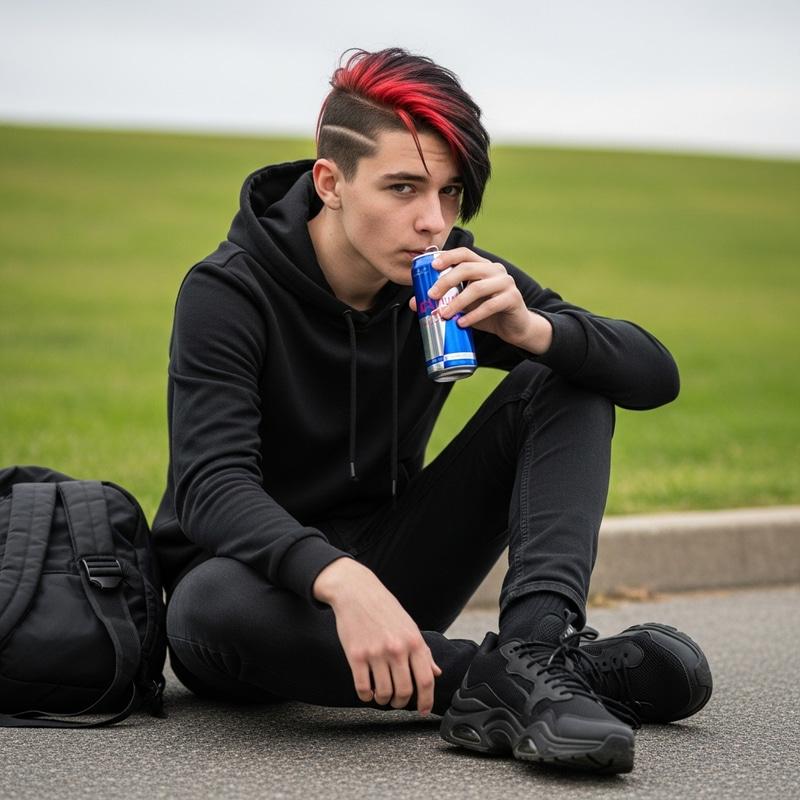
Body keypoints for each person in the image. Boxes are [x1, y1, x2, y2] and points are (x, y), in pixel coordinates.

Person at [152, 47, 712, 774]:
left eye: (449, 194)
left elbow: (653, 375)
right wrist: (336, 577)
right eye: (404, 188)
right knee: (206, 605)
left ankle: (537, 653)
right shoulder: (228, 291)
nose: (432, 222)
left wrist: (532, 330)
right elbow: (211, 487)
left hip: (395, 575)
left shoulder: (448, 278)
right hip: (264, 599)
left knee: (567, 372)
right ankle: (531, 682)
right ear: (332, 183)